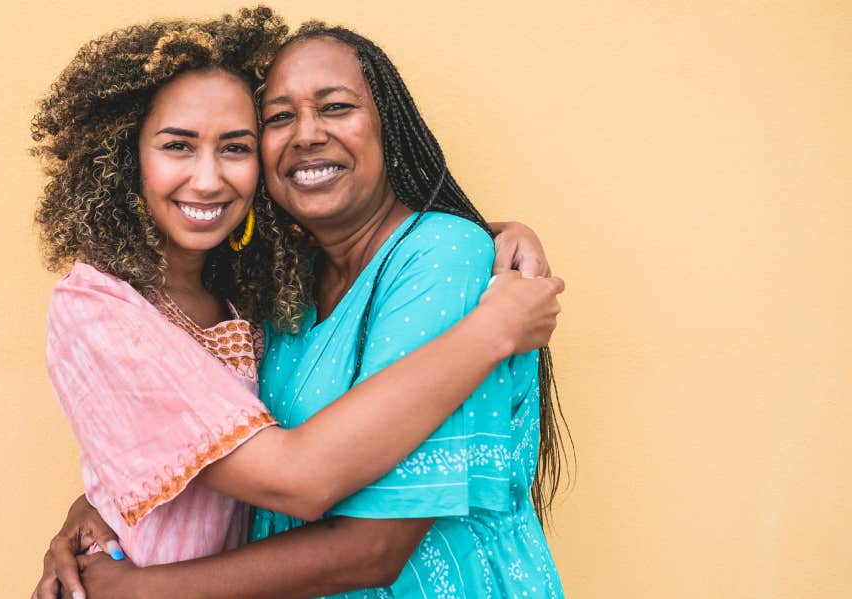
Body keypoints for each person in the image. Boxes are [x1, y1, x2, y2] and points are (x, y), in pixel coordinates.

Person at [33, 9, 566, 599]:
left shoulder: (444, 256)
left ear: (389, 125)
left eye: (336, 106)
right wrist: (95, 503)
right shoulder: (280, 290)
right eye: (279, 117)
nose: (307, 133)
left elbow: (372, 546)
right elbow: (201, 433)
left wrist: (135, 590)